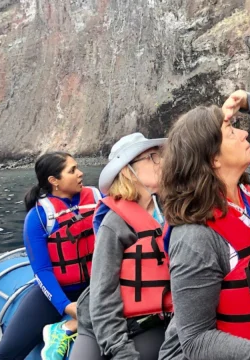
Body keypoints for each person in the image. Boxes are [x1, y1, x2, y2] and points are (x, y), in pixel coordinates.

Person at [157, 90, 250, 360]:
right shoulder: (194, 238)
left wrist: (246, 101)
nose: (245, 135)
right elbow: (196, 341)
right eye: (231, 132)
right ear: (213, 159)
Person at [0, 152, 102, 360]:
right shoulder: (38, 217)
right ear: (54, 181)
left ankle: (70, 327)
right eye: (72, 170)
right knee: (4, 355)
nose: (80, 173)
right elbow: (41, 270)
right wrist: (65, 305)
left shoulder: (97, 199)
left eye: (77, 168)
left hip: (96, 288)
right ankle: (62, 328)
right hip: (56, 292)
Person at [69, 133, 171, 360]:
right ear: (127, 171)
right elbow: (103, 295)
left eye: (160, 156)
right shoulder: (114, 224)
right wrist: (121, 351)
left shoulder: (170, 210)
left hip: (153, 320)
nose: (161, 162)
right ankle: (64, 335)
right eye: (151, 157)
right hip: (101, 321)